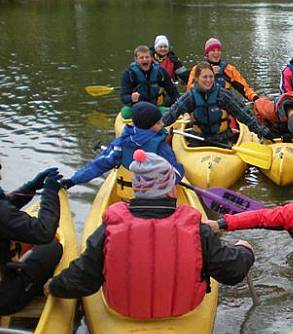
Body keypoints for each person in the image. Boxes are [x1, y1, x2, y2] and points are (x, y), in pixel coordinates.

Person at [45, 151, 254, 320]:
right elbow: (231, 272)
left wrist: (53, 286)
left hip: (123, 311)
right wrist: (245, 250)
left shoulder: (109, 228)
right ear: (172, 191)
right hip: (183, 312)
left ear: (137, 190)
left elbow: (84, 277)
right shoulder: (198, 231)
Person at [61, 102, 184, 200]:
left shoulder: (120, 143)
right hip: (156, 198)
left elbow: (98, 166)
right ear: (148, 125)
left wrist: (73, 180)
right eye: (159, 123)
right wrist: (181, 173)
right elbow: (175, 172)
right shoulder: (161, 146)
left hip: (127, 197)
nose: (162, 124)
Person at [0, 165, 63, 315]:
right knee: (52, 246)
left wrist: (32, 186)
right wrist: (50, 193)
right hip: (4, 300)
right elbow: (44, 231)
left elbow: (6, 207)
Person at [163, 62, 273, 144]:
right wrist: (157, 126)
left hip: (222, 140)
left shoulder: (223, 95)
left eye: (211, 76)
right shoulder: (190, 96)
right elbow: (173, 113)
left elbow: (244, 115)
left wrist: (265, 132)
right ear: (197, 78)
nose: (208, 80)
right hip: (198, 140)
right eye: (204, 77)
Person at [186, 38, 261, 103]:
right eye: (213, 50)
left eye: (218, 50)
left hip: (225, 106)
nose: (216, 53)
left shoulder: (229, 69)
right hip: (203, 106)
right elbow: (190, 90)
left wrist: (255, 98)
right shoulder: (197, 69)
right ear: (207, 53)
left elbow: (244, 88)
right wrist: (209, 74)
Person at [120, 45, 180, 119]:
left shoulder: (160, 71)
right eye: (141, 58)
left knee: (172, 111)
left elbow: (173, 92)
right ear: (136, 59)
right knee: (125, 113)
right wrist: (131, 98)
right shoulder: (129, 74)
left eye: (147, 57)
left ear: (151, 58)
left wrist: (180, 108)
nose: (145, 60)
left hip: (155, 107)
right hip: (138, 108)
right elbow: (123, 97)